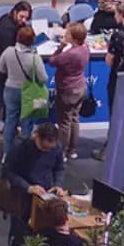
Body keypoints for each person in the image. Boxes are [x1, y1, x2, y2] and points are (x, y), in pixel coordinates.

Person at [2, 121, 65, 246]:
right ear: (36, 136)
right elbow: (8, 171)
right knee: (17, 230)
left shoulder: (57, 147)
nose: (46, 151)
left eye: (50, 149)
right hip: (21, 195)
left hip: (44, 195)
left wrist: (58, 184)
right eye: (43, 147)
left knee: (44, 231)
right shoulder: (20, 146)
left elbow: (59, 168)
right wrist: (28, 188)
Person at [0, 0, 34, 144]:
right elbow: (11, 51)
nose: (23, 21)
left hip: (3, 64)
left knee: (8, 98)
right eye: (21, 17)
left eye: (26, 18)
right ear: (15, 12)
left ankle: (9, 126)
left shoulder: (9, 20)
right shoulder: (6, 28)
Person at [0, 21, 48, 158]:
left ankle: (7, 154)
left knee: (10, 121)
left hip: (10, 90)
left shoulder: (8, 52)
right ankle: (22, 154)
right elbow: (43, 78)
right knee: (27, 123)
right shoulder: (35, 58)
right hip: (29, 93)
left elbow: (0, 69)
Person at [50, 21, 91, 160]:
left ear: (73, 37)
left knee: (64, 123)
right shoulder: (85, 48)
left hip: (67, 90)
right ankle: (72, 150)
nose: (65, 35)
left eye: (67, 33)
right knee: (74, 119)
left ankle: (61, 152)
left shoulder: (70, 54)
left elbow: (53, 61)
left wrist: (60, 47)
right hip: (80, 88)